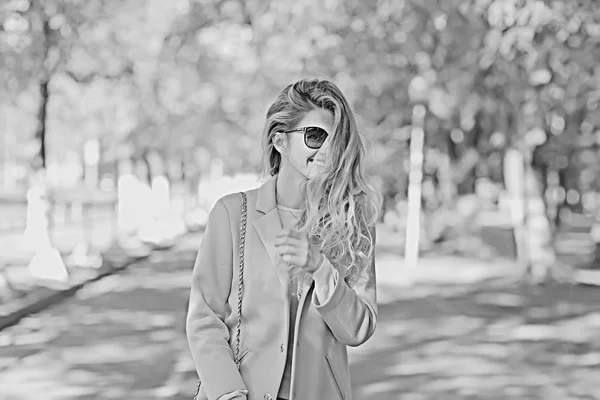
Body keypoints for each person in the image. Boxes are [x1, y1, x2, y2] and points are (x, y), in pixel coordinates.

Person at [186, 78, 381, 400]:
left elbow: (358, 329)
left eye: (337, 139)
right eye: (315, 136)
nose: (328, 150)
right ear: (279, 140)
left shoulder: (354, 222)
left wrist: (321, 269)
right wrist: (227, 393)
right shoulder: (232, 214)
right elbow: (205, 317)